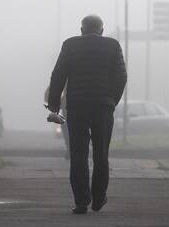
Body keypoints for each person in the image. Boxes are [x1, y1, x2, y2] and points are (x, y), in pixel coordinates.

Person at [46, 14, 127, 214]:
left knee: (78, 154)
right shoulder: (113, 46)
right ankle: (99, 198)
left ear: (81, 30)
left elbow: (58, 74)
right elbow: (121, 77)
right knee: (101, 155)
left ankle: (81, 201)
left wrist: (54, 104)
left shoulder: (70, 45)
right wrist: (111, 101)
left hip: (76, 107)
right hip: (103, 107)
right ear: (101, 29)